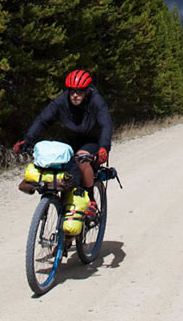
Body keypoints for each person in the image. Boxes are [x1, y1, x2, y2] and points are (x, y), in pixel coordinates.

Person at [13, 68, 112, 220]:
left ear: (86, 91)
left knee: (81, 159)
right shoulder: (62, 101)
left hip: (91, 142)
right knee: (52, 164)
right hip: (70, 141)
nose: (75, 95)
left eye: (79, 91)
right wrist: (27, 140)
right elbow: (42, 120)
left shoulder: (96, 101)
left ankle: (91, 200)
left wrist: (104, 148)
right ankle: (62, 231)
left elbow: (106, 125)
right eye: (72, 91)